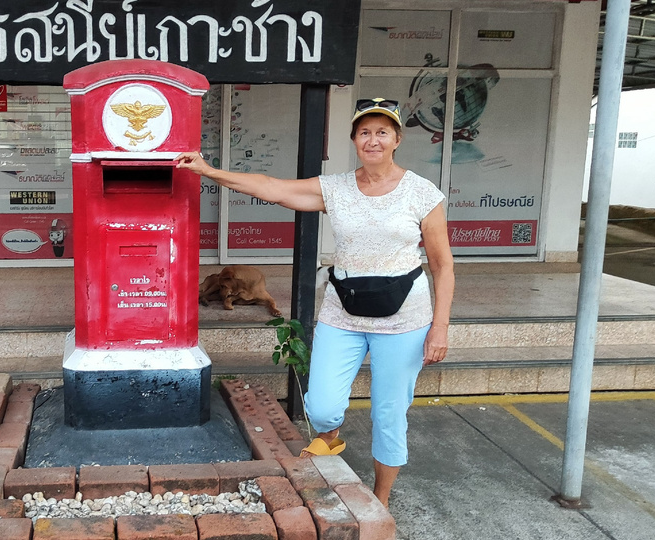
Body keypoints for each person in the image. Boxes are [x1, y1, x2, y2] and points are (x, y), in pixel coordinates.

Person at [176, 98, 454, 508]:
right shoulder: (336, 189)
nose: (372, 140)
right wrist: (207, 171)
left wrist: (441, 327)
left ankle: (380, 498)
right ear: (354, 140)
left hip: (404, 320)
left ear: (397, 138)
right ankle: (328, 438)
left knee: (389, 415)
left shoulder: (422, 194)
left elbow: (442, 265)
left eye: (381, 132)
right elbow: (271, 187)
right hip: (343, 314)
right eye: (364, 132)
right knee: (322, 407)